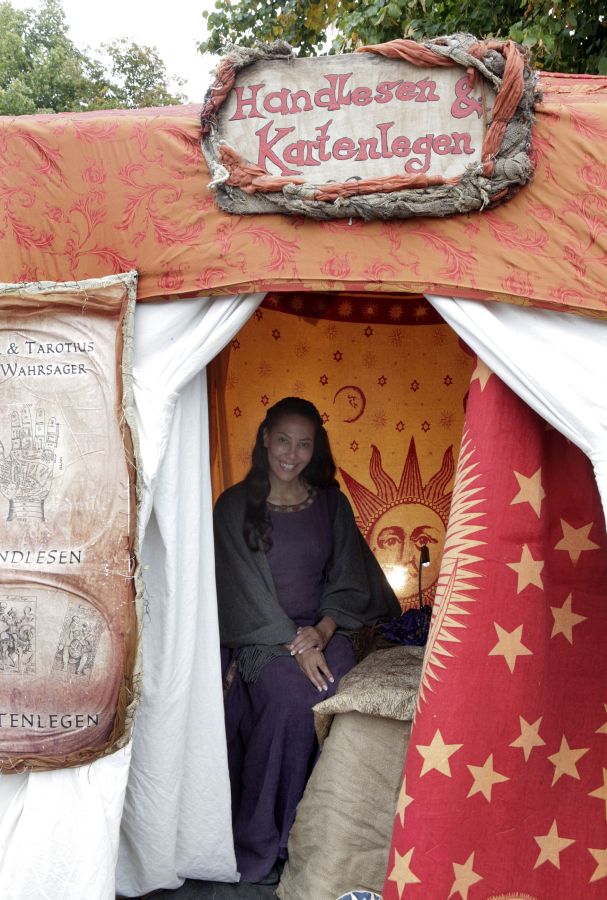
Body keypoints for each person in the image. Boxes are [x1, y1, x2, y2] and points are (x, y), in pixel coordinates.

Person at [213, 396, 400, 883]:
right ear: (264, 439)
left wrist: (320, 631)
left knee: (334, 692)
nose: (291, 454)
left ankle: (320, 844)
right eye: (282, 440)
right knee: (291, 700)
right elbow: (239, 590)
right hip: (261, 635)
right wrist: (292, 644)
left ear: (316, 448)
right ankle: (263, 840)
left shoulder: (332, 504)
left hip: (324, 630)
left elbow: (349, 580)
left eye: (303, 444)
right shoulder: (233, 506)